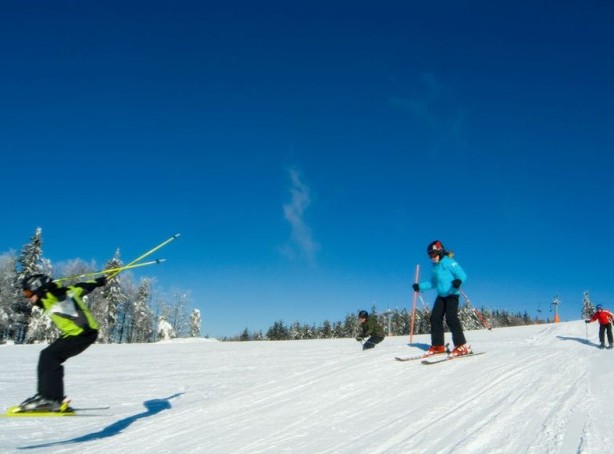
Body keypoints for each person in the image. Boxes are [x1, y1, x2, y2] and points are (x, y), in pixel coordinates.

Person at [18, 273, 107, 411]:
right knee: (46, 355)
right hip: (74, 334)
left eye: (28, 292)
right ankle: (45, 396)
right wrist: (97, 282)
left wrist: (52, 289)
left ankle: (52, 399)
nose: (27, 297)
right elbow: (82, 287)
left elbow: (70, 291)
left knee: (51, 356)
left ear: (38, 288)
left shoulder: (57, 295)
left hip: (83, 333)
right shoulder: (52, 297)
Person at [412, 240, 471, 358]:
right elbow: (433, 283)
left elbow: (462, 275)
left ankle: (461, 346)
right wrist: (420, 286)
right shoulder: (435, 268)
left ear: (440, 251)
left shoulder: (450, 262)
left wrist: (458, 281)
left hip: (452, 295)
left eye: (434, 254)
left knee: (451, 318)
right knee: (434, 318)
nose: (432, 257)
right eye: (430, 255)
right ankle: (438, 345)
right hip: (441, 296)